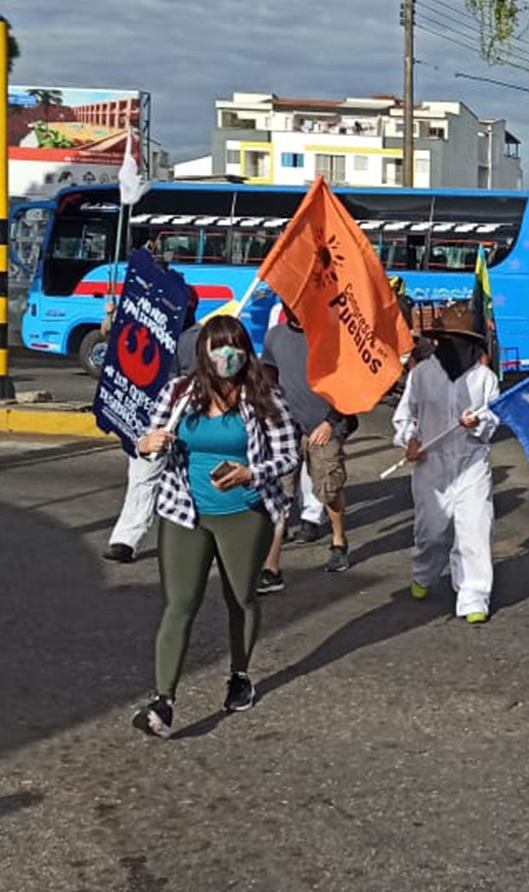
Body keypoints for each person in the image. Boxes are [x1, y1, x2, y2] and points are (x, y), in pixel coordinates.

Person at [130, 315, 300, 738]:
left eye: (235, 347)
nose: (227, 356)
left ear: (246, 351)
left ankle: (240, 676)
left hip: (244, 512)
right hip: (183, 510)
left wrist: (251, 473)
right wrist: (145, 443)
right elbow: (151, 438)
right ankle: (162, 703)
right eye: (218, 347)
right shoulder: (179, 394)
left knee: (240, 598)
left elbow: (288, 455)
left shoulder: (263, 396)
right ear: (203, 352)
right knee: (179, 604)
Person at [393, 307, 502, 622]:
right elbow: (404, 416)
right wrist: (409, 439)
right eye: (448, 340)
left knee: (476, 529)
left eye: (461, 341)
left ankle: (474, 596)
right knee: (432, 531)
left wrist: (477, 423)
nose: (454, 346)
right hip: (431, 463)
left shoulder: (485, 379)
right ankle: (425, 572)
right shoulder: (422, 374)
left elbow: (493, 418)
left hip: (472, 461)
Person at [259, 308, 358, 589]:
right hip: (287, 429)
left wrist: (330, 422)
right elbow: (268, 375)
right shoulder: (275, 337)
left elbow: (349, 385)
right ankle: (271, 565)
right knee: (280, 495)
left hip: (326, 427)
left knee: (329, 489)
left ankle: (339, 541)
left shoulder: (333, 337)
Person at [104, 289, 203, 564]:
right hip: (147, 419)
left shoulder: (197, 339)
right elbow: (115, 343)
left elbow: (192, 384)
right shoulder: (151, 329)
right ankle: (126, 540)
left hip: (181, 420)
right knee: (142, 476)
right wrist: (112, 317)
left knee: (188, 481)